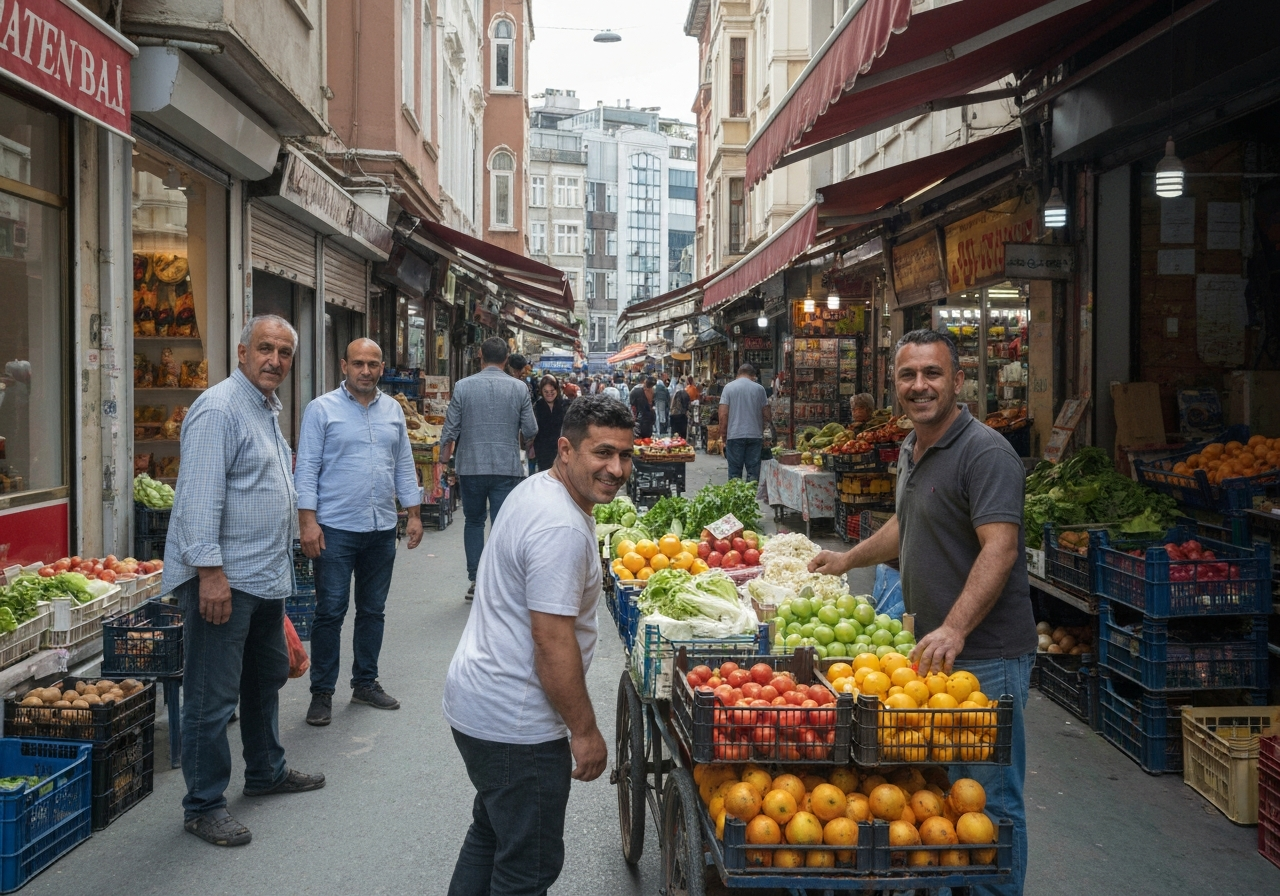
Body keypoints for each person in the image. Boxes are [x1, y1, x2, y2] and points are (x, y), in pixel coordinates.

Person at [807, 328, 1035, 896]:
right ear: (894, 384)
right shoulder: (913, 447)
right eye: (907, 375)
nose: (920, 385)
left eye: (933, 373)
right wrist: (846, 559)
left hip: (986, 656)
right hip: (934, 657)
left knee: (991, 800)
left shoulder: (985, 453)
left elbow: (1001, 549)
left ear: (958, 381)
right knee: (945, 799)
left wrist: (955, 627)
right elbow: (905, 524)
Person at [442, 395, 633, 895]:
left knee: (492, 835)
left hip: (481, 705)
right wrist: (585, 731)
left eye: (625, 455)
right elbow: (552, 640)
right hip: (517, 726)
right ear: (566, 450)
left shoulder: (538, 489)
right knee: (527, 868)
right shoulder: (560, 527)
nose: (616, 469)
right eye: (603, 453)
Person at [162, 314, 325, 847]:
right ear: (241, 352)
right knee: (211, 697)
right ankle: (204, 805)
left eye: (284, 352)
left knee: (264, 680)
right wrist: (210, 574)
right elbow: (197, 498)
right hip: (226, 580)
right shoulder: (220, 408)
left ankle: (266, 771)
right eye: (265, 348)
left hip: (264, 576)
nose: (274, 360)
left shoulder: (264, 407)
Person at [294, 338, 424, 727]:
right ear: (344, 365)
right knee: (330, 611)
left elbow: (403, 463)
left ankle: (365, 682)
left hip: (381, 527)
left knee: (372, 610)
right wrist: (307, 521)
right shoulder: (322, 409)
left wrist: (414, 514)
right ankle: (322, 692)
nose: (365, 371)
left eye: (372, 364)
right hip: (335, 528)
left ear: (382, 367)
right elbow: (307, 468)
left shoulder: (393, 411)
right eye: (358, 363)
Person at [441, 337, 538, 601]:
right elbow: (531, 429)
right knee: (501, 524)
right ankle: (498, 581)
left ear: (480, 356)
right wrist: (521, 440)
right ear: (506, 359)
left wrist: (443, 459)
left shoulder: (463, 386)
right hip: (506, 467)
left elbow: (450, 429)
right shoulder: (519, 388)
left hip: (471, 465)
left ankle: (476, 580)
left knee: (473, 521)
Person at [718, 363, 770, 482]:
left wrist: (724, 436)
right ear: (753, 376)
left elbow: (723, 415)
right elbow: (767, 415)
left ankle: (736, 493)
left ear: (738, 374)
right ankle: (751, 493)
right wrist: (763, 431)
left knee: (734, 474)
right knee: (753, 474)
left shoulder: (728, 388)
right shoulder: (759, 389)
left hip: (734, 436)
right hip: (755, 436)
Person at [531, 375, 569, 473]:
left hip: (562, 450)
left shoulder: (565, 405)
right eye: (546, 391)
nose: (549, 394)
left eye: (552, 391)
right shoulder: (537, 407)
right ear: (541, 391)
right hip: (542, 451)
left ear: (557, 389)